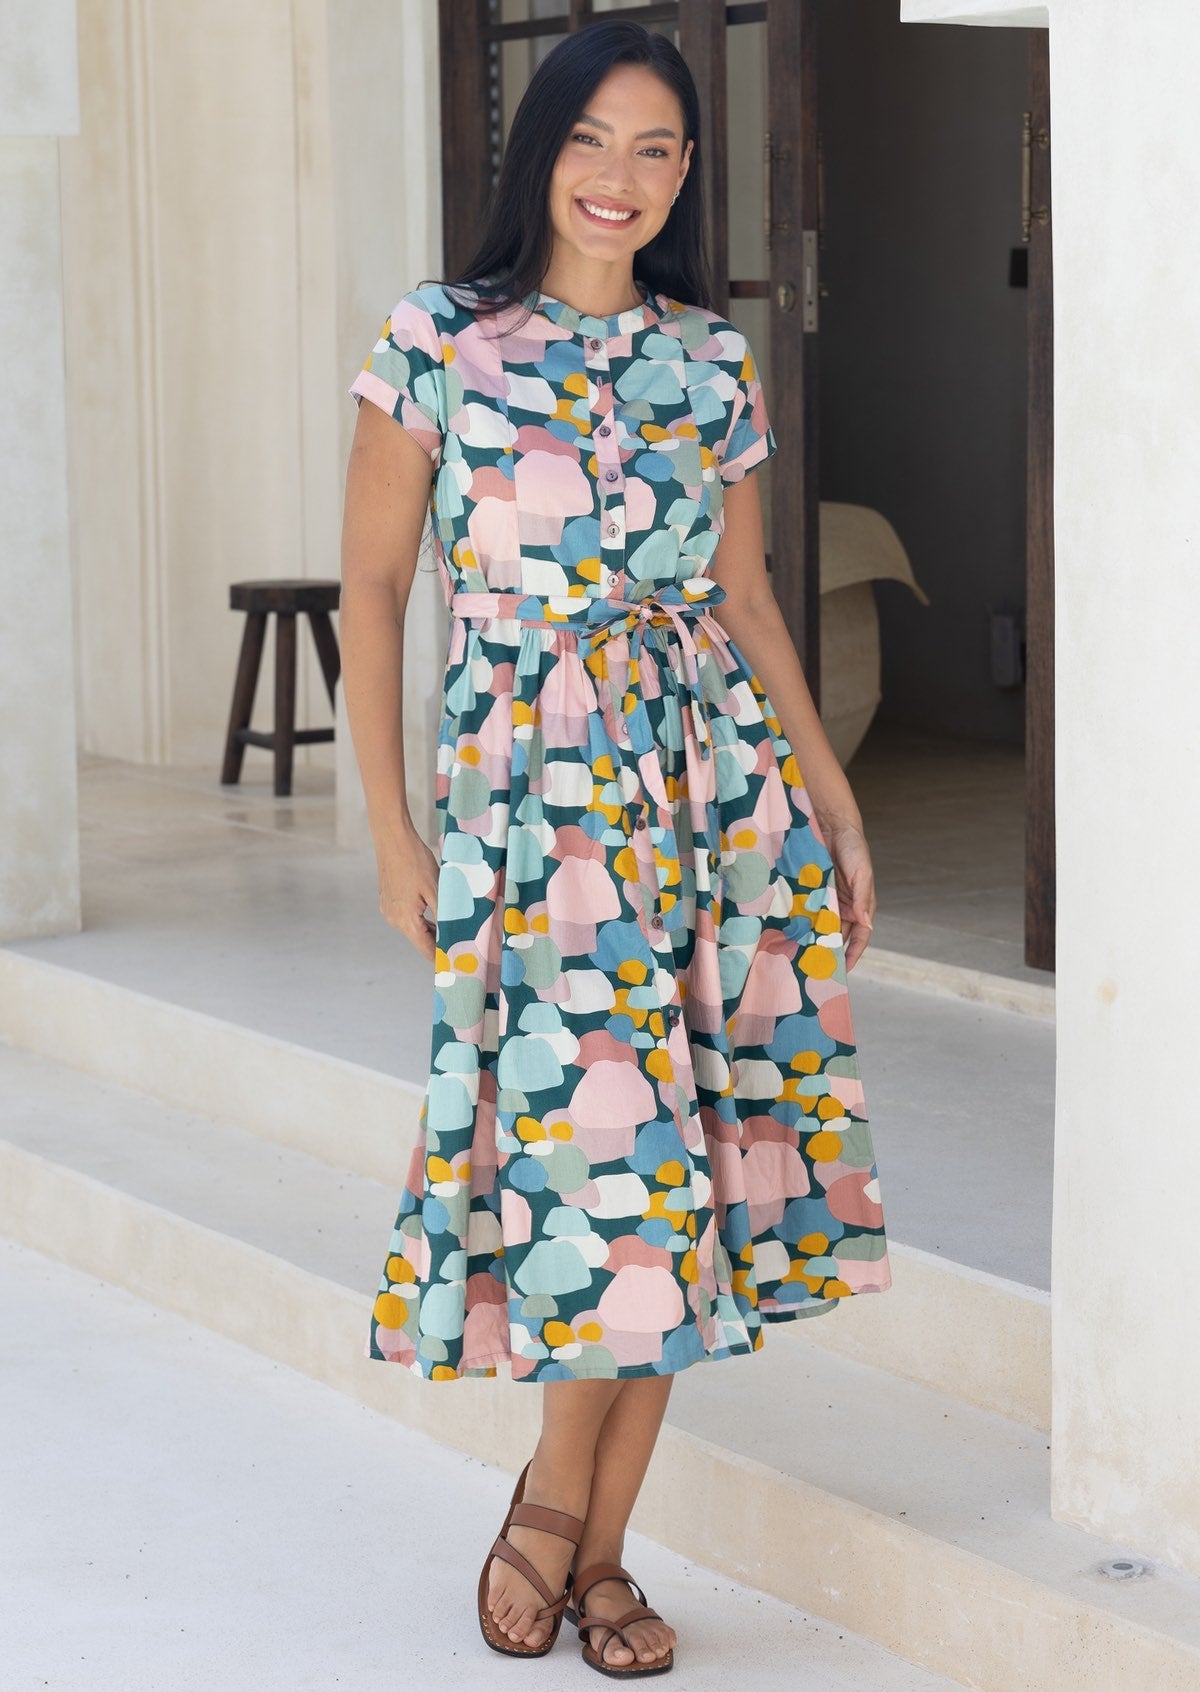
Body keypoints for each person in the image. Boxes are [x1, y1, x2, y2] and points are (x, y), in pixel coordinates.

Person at [339, 17, 893, 1680]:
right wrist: (389, 821)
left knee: (694, 1163)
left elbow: (743, 599)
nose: (621, 179)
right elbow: (372, 591)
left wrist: (836, 800)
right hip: (532, 813)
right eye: (593, 140)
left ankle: (584, 1538)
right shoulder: (437, 338)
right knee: (613, 1162)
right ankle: (570, 1526)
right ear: (538, 153)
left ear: (686, 178)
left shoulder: (711, 363)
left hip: (711, 801)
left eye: (658, 150)